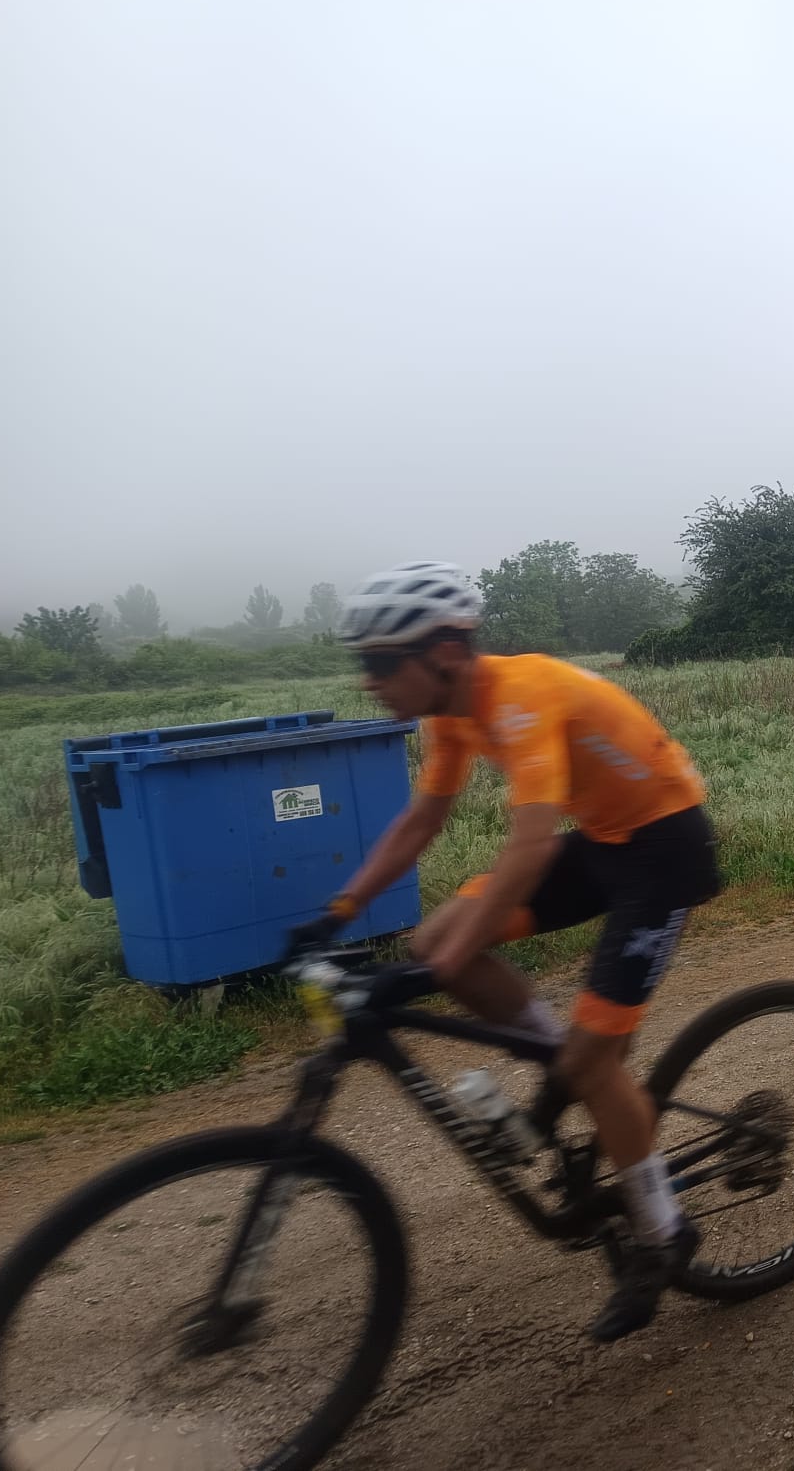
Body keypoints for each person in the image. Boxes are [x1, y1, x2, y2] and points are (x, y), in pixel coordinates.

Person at [288, 561, 721, 1342]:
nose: (368, 681)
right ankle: (569, 1061)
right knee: (435, 938)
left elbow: (528, 846)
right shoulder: (450, 713)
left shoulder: (523, 696)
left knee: (580, 1053)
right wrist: (339, 912)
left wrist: (446, 967)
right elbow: (422, 820)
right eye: (364, 663)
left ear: (446, 653)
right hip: (604, 840)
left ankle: (663, 1233)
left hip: (665, 848)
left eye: (381, 662)